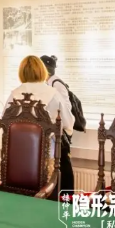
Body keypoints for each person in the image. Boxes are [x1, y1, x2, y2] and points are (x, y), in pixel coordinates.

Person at [4, 56, 75, 197]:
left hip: (16, 158)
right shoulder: (52, 94)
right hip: (46, 160)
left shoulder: (14, 94)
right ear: (42, 71)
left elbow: (5, 124)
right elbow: (68, 122)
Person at [40, 55, 75, 192]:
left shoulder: (55, 84)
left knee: (63, 165)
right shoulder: (50, 83)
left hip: (59, 132)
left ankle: (67, 197)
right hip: (55, 132)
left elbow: (65, 109)